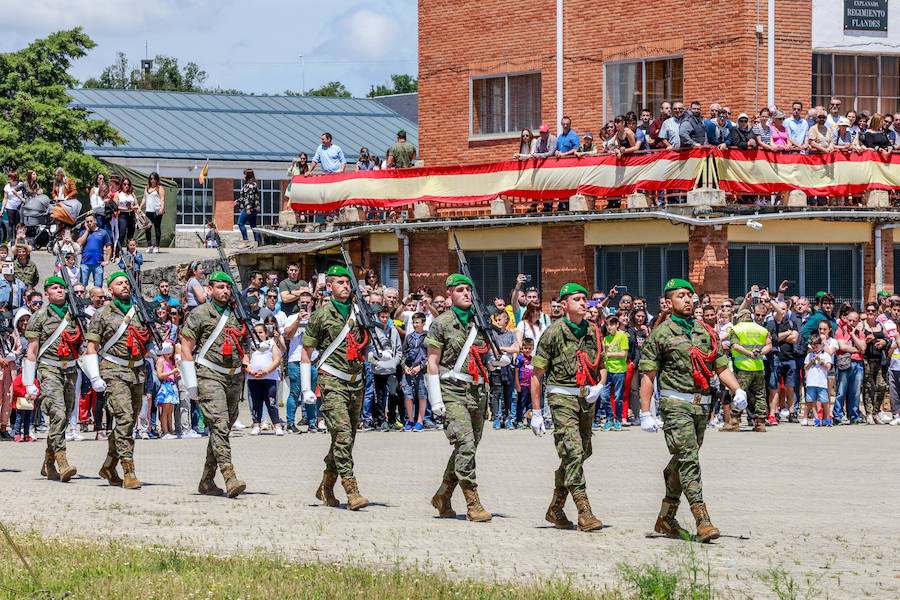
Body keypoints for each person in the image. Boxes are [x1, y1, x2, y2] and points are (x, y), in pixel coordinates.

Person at [639, 278, 746, 543]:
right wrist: (645, 411)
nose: (687, 300)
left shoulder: (705, 331)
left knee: (682, 462)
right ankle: (703, 520)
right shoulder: (661, 333)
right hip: (675, 405)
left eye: (690, 295)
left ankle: (665, 518)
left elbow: (720, 366)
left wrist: (737, 389)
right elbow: (649, 375)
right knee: (689, 460)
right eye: (680, 296)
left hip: (701, 407)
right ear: (668, 302)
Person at [529, 283, 606, 532]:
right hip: (561, 397)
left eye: (585, 299)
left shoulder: (594, 331)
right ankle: (585, 512)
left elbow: (601, 365)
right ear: (565, 305)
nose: (584, 303)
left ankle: (555, 507)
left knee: (581, 453)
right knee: (573, 453)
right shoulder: (553, 333)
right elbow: (537, 374)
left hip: (586, 398)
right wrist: (537, 412)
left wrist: (600, 385)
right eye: (577, 299)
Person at [425, 273, 497, 522]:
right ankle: (473, 503)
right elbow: (432, 362)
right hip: (451, 389)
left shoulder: (480, 323)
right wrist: (435, 399)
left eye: (468, 289)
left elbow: (483, 355)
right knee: (465, 445)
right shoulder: (441, 323)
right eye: (460, 290)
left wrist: (496, 361)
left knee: (467, 447)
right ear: (449, 295)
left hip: (478, 391)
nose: (466, 294)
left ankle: (443, 494)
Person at [300, 265, 371, 510]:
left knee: (346, 439)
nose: (345, 286)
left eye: (347, 282)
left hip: (356, 381)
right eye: (340, 282)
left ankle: (325, 486)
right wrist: (307, 388)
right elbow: (306, 353)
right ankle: (352, 492)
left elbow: (367, 340)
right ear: (328, 286)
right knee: (342, 435)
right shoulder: (321, 315)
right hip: (331, 381)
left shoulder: (359, 312)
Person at [180, 270, 251, 499]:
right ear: (209, 290)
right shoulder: (199, 313)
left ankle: (207, 480)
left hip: (234, 377)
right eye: (220, 287)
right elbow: (186, 348)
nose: (226, 291)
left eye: (228, 287)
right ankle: (230, 477)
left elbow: (245, 339)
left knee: (223, 429)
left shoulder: (237, 313)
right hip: (209, 375)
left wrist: (247, 358)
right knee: (219, 425)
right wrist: (191, 384)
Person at [82, 271, 154, 488]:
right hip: (113, 370)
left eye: (126, 283)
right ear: (110, 290)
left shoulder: (140, 311)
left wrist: (154, 350)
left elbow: (145, 338)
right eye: (119, 283)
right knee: (123, 419)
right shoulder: (102, 314)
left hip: (137, 372)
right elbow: (92, 347)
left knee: (129, 423)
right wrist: (94, 376)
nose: (124, 286)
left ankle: (108, 465)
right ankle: (129, 471)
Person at [23, 276, 84, 483]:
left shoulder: (75, 315)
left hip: (71, 370)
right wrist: (29, 383)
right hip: (49, 369)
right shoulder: (39, 316)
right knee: (57, 412)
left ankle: (48, 462)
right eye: (54, 288)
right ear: (46, 294)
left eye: (62, 288)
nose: (59, 290)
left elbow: (83, 344)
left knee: (64, 417)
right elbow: (31, 351)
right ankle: (62, 462)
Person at [728, 306, 772, 431]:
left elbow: (735, 346)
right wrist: (759, 353)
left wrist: (749, 354)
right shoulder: (762, 330)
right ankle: (761, 424)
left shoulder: (736, 329)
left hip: (743, 368)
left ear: (740, 318)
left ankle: (734, 423)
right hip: (758, 367)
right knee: (760, 395)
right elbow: (769, 346)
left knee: (738, 393)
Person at [245, 322, 284, 436]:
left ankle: (277, 425)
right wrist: (250, 371)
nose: (258, 335)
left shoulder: (272, 343)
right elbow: (245, 360)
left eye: (261, 332)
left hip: (270, 378)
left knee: (271, 402)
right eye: (255, 333)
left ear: (266, 333)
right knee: (256, 403)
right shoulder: (250, 345)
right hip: (253, 378)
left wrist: (266, 371)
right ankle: (256, 425)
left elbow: (277, 360)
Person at [488, 308, 519, 429]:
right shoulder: (493, 335)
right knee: (496, 393)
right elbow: (491, 349)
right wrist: (507, 349)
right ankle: (497, 418)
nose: (497, 322)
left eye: (499, 319)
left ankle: (508, 418)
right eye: (496, 320)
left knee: (509, 394)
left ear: (506, 320)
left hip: (508, 368)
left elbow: (516, 348)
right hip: (496, 368)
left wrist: (502, 349)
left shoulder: (511, 334)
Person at [860, 302, 889, 424]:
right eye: (868, 311)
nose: (870, 313)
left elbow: (888, 339)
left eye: (873, 311)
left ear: (877, 312)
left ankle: (877, 412)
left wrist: (884, 341)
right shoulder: (861, 326)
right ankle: (869, 413)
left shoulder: (881, 325)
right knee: (868, 387)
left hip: (879, 360)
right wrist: (866, 341)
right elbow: (858, 343)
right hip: (867, 359)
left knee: (882, 386)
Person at [401, 312, 429, 431]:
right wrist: (404, 366)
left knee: (421, 396)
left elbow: (430, 356)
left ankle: (420, 421)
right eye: (414, 322)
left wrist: (421, 367)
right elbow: (403, 353)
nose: (415, 325)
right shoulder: (409, 337)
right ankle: (410, 420)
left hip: (421, 371)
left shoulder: (428, 337)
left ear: (423, 323)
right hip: (409, 370)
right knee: (408, 395)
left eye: (418, 322)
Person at [802, 334, 832, 426]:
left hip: (821, 383)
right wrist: (811, 361)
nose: (815, 349)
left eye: (817, 347)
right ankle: (816, 418)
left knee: (825, 401)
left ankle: (826, 418)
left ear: (821, 345)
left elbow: (828, 367)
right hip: (811, 382)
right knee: (812, 401)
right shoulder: (809, 355)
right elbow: (805, 367)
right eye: (813, 347)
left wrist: (821, 361)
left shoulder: (826, 355)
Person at [154, 342, 179, 439]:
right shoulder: (161, 360)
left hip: (172, 386)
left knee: (170, 410)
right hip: (166, 386)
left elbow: (172, 374)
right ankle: (165, 432)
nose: (169, 354)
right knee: (165, 410)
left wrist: (176, 373)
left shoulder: (171, 361)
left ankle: (170, 429)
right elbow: (160, 375)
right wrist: (172, 372)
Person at [139, 172, 165, 253]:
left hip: (156, 210)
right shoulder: (147, 188)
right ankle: (149, 245)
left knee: (157, 228)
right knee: (147, 228)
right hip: (148, 211)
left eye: (154, 178)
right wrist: (140, 208)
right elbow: (144, 199)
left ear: (157, 179)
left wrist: (162, 208)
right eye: (151, 178)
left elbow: (162, 199)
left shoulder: (159, 188)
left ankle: (157, 246)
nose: (152, 180)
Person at [235, 169, 261, 248]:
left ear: (248, 175)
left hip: (249, 208)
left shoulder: (250, 185)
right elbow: (245, 197)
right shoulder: (253, 184)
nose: (243, 176)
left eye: (245, 174)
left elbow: (250, 198)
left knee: (240, 223)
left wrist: (248, 208)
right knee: (253, 226)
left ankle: (246, 242)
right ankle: (257, 243)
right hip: (253, 209)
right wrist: (238, 201)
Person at [115, 177, 137, 253]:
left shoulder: (132, 194)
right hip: (123, 215)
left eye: (128, 184)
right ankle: (117, 254)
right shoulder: (118, 194)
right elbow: (116, 207)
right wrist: (125, 208)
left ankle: (129, 253)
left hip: (131, 215)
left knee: (130, 236)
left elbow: (137, 206)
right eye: (125, 184)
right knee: (122, 234)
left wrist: (131, 207)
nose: (126, 186)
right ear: (122, 185)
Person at [2, 171, 25, 239]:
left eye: (11, 178)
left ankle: (18, 239)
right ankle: (11, 240)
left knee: (18, 224)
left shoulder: (21, 184)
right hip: (10, 206)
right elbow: (5, 198)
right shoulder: (7, 186)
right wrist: (2, 209)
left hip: (19, 207)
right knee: (11, 223)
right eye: (9, 178)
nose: (10, 180)